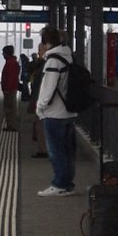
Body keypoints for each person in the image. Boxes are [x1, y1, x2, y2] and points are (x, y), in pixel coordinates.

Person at [35, 25, 78, 196]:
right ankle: (67, 184)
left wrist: (40, 107)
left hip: (55, 114)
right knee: (67, 151)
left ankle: (59, 184)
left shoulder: (53, 61)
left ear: (46, 43)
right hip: (68, 112)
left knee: (56, 151)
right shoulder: (68, 58)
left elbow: (49, 88)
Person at [0, 44, 20, 131]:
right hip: (11, 88)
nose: (2, 54)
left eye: (3, 53)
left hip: (10, 89)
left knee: (10, 108)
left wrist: (7, 89)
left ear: (7, 53)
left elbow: (10, 77)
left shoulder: (10, 63)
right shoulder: (12, 62)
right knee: (11, 108)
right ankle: (10, 125)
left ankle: (11, 126)